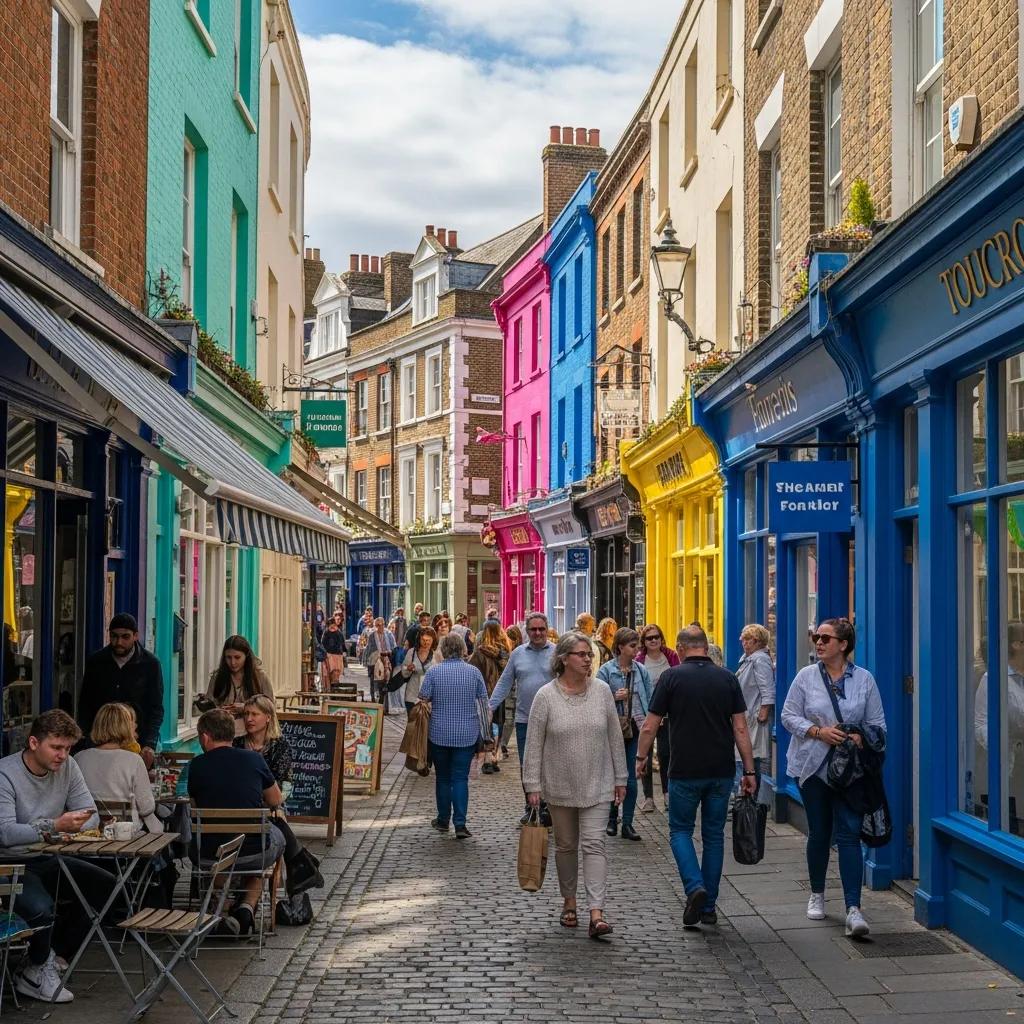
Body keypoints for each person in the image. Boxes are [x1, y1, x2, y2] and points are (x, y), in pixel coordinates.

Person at [636, 626, 756, 928]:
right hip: (721, 771)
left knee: (680, 831)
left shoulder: (671, 678)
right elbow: (741, 727)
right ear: (705, 646)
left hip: (684, 770)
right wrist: (750, 770)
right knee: (714, 836)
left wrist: (640, 758)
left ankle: (694, 887)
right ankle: (709, 906)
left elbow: (650, 725)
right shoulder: (727, 678)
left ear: (681, 647)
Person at [781, 617, 885, 939]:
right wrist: (817, 731)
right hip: (812, 768)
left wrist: (859, 737)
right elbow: (787, 716)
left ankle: (853, 908)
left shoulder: (864, 679)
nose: (819, 642)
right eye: (816, 637)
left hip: (850, 771)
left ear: (844, 644)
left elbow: (878, 724)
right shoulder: (806, 677)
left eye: (826, 638)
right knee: (820, 832)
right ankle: (817, 893)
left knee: (850, 834)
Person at [0, 710, 113, 1003]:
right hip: (10, 863)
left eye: (68, 748)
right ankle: (38, 968)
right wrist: (54, 826)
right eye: (56, 747)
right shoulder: (5, 774)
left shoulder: (68, 767)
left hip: (48, 855)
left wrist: (65, 827)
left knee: (104, 885)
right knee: (41, 907)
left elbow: (90, 814)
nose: (63, 755)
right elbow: (6, 834)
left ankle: (47, 959)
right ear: (34, 742)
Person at [523, 631, 626, 940]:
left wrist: (621, 778)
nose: (587, 659)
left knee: (595, 845)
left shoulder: (603, 692)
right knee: (566, 846)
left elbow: (614, 738)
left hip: (598, 783)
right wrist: (532, 784)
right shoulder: (546, 696)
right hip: (560, 785)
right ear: (564, 659)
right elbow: (534, 745)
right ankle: (569, 902)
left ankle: (597, 912)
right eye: (581, 654)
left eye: (589, 655)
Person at [188, 708, 286, 935]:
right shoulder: (254, 759)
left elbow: (194, 805)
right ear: (232, 735)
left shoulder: (197, 765)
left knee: (221, 846)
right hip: (254, 852)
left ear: (204, 737)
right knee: (271, 840)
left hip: (208, 852)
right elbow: (275, 799)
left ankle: (220, 909)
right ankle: (246, 907)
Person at [233, 696, 323, 895]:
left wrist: (278, 805)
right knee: (275, 821)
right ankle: (301, 860)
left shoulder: (279, 746)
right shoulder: (237, 744)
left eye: (254, 714)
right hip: (243, 805)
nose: (249, 719)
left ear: (267, 718)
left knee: (276, 816)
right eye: (246, 714)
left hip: (273, 803)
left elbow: (286, 783)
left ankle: (298, 863)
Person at [488, 613, 557, 825]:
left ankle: (547, 807)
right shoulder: (518, 654)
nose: (537, 633)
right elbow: (504, 682)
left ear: (547, 630)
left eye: (541, 629)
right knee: (527, 765)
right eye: (533, 629)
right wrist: (490, 707)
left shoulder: (557, 653)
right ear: (527, 631)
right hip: (525, 719)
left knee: (549, 764)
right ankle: (530, 806)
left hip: (553, 719)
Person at [418, 634, 488, 839]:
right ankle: (460, 823)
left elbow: (423, 698)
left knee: (442, 778)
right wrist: (486, 735)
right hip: (467, 734)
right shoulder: (474, 673)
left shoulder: (434, 672)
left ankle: (442, 820)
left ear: (443, 650)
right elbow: (483, 705)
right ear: (463, 649)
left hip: (439, 733)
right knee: (460, 778)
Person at [78, 613, 163, 769]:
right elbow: (85, 704)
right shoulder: (96, 662)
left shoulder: (150, 664)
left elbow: (156, 708)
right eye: (114, 636)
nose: (119, 642)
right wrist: (85, 738)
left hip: (136, 742)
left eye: (125, 637)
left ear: (135, 636)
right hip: (100, 742)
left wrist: (150, 744)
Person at [598, 627, 652, 841]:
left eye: (637, 645)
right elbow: (596, 699)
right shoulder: (606, 670)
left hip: (636, 726)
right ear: (620, 647)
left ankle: (627, 823)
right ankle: (612, 818)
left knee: (630, 776)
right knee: (613, 775)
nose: (637, 649)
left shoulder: (641, 671)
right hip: (612, 728)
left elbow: (650, 697)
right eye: (632, 645)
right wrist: (614, 697)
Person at [74, 703, 161, 833]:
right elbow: (147, 807)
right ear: (125, 727)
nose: (135, 726)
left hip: (89, 833)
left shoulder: (79, 758)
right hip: (126, 836)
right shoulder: (134, 760)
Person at [636, 624, 680, 812]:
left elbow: (679, 681)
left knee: (666, 753)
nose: (653, 640)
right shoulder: (640, 660)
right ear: (644, 642)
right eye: (649, 638)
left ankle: (667, 794)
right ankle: (648, 798)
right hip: (648, 713)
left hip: (669, 714)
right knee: (644, 753)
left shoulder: (670, 656)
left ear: (661, 638)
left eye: (656, 637)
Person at [204, 635, 274, 738]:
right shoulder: (217, 677)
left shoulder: (260, 677)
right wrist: (219, 711)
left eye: (237, 657)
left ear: (246, 656)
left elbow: (270, 707)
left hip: (252, 735)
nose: (233, 662)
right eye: (228, 657)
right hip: (224, 735)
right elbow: (210, 709)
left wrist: (245, 708)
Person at [735, 623, 776, 794]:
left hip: (754, 717)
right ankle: (745, 796)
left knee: (751, 757)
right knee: (747, 756)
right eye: (742, 638)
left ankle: (750, 798)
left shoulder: (760, 660)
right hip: (748, 714)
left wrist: (763, 713)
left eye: (746, 639)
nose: (742, 642)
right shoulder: (749, 659)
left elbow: (767, 689)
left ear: (757, 641)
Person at [468, 621, 511, 774]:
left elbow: (472, 672)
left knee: (486, 726)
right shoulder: (505, 651)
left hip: (484, 694)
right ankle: (494, 757)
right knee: (498, 724)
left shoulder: (479, 653)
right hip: (500, 694)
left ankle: (487, 758)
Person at [399, 626, 438, 715]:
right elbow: (403, 672)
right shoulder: (412, 652)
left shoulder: (436, 655)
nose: (425, 642)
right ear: (419, 640)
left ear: (433, 640)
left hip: (431, 698)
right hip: (412, 696)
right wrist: (408, 669)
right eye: (423, 640)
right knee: (413, 726)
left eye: (428, 640)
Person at [500, 625, 524, 757]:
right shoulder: (504, 652)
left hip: (519, 690)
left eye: (514, 639)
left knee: (514, 719)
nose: (511, 641)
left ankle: (504, 742)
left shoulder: (522, 652)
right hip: (508, 690)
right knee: (508, 718)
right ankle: (502, 744)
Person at [363, 617, 397, 707]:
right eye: (378, 625)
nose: (380, 627)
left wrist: (390, 654)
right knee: (375, 682)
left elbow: (394, 647)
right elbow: (368, 650)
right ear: (375, 626)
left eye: (382, 625)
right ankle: (374, 700)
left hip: (387, 660)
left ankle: (384, 705)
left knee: (386, 682)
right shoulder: (372, 636)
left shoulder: (389, 634)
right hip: (375, 662)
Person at [320, 612, 347, 686]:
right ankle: (333, 687)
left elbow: (323, 643)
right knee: (334, 672)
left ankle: (332, 687)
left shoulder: (328, 632)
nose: (333, 627)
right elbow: (342, 644)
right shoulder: (337, 632)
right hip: (333, 656)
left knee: (331, 672)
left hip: (332, 655)